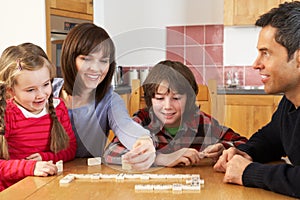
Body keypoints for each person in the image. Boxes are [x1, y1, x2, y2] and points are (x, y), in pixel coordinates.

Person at [213, 1, 300, 198]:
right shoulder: (289, 103)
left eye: (266, 54)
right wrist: (243, 152)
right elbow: (269, 139)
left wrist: (248, 172)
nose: (256, 64)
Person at [104, 60, 248, 167]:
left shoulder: (201, 122)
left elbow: (244, 144)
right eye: (160, 98)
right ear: (150, 99)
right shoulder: (141, 121)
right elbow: (110, 153)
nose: (167, 106)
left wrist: (224, 148)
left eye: (177, 98)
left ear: (189, 98)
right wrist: (160, 158)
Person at [53, 23, 155, 170]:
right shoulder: (47, 91)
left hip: (86, 178)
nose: (95, 68)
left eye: (103, 61)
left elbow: (125, 125)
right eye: (86, 59)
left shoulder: (109, 100)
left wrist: (144, 141)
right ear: (70, 58)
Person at [0, 43, 77, 191]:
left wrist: (45, 157)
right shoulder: (6, 113)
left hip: (47, 188)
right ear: (11, 91)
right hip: (13, 191)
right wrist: (30, 167)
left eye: (46, 84)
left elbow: (70, 149)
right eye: (30, 90)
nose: (41, 95)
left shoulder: (58, 107)